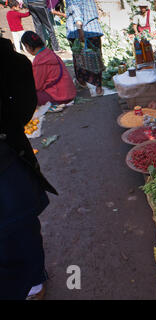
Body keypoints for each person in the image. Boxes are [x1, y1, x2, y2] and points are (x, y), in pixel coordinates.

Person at [0, 36, 57, 300]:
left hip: (6, 159)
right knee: (19, 224)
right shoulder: (17, 62)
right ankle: (32, 279)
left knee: (18, 224)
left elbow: (24, 106)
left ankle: (34, 280)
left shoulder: (14, 62)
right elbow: (24, 108)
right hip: (8, 154)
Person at [21, 31, 76, 107]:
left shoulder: (39, 60)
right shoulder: (48, 52)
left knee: (25, 97)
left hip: (59, 96)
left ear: (27, 46)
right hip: (69, 92)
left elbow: (37, 86)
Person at [65, 0, 104, 96]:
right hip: (92, 28)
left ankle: (83, 84)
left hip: (79, 30)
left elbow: (75, 10)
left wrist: (80, 29)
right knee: (95, 58)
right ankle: (98, 87)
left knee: (80, 58)